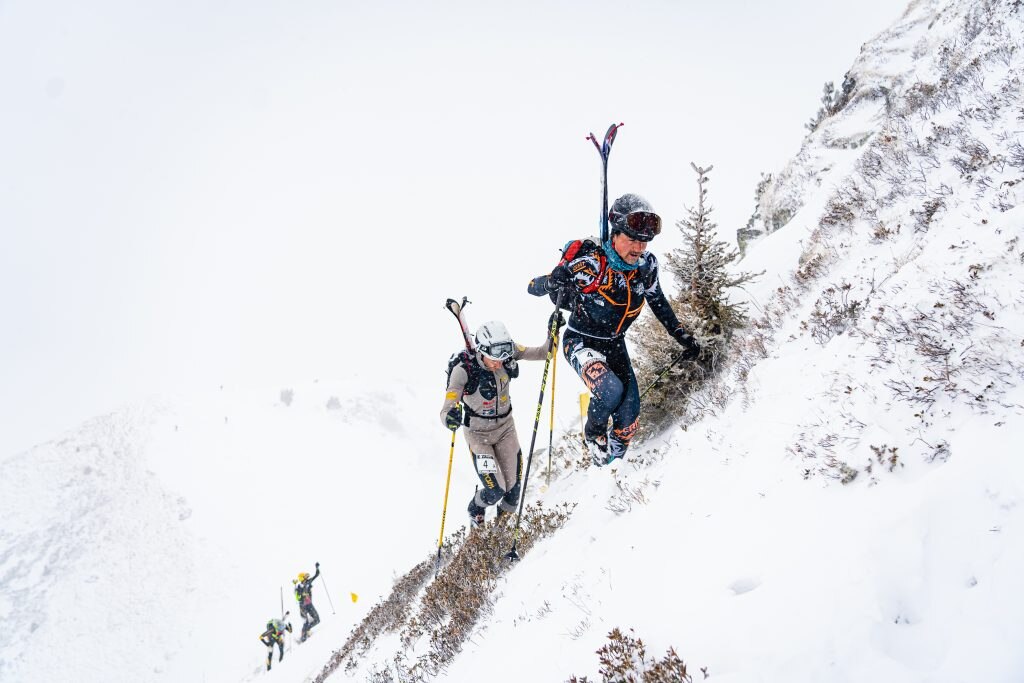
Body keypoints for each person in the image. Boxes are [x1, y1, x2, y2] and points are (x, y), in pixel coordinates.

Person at [528, 193, 700, 466]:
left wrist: (682, 337)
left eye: (643, 241)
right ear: (614, 234)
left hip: (614, 343)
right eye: (631, 239)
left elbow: (659, 304)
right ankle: (593, 433)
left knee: (629, 419)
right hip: (581, 341)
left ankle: (610, 470)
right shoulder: (593, 264)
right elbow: (532, 286)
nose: (638, 248)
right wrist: (552, 281)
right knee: (610, 390)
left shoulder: (646, 267)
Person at [440, 320, 551, 527]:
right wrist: (450, 417)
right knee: (495, 490)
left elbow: (545, 353)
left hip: (506, 430)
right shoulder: (463, 370)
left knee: (513, 493)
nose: (499, 363)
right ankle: (475, 508)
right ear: (481, 350)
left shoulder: (506, 351)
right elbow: (446, 407)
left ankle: (500, 534)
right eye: (494, 360)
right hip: (478, 435)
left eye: (503, 358)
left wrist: (552, 332)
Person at [293, 563, 321, 642]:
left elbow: (317, 575)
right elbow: (297, 598)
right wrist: (302, 594)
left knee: (317, 619)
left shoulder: (308, 582)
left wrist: (317, 568)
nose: (306, 578)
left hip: (309, 604)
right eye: (305, 577)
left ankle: (307, 630)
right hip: (302, 606)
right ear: (302, 578)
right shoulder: (298, 587)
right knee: (305, 622)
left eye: (306, 577)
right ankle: (303, 638)